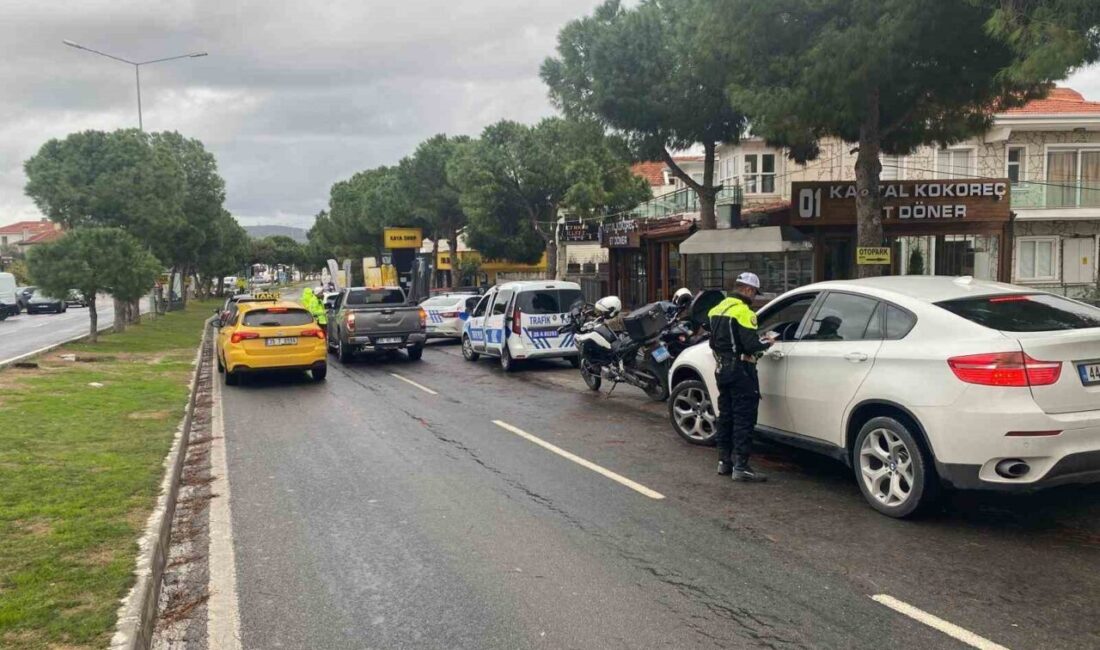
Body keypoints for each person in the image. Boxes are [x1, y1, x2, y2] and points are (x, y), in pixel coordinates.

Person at [708, 272, 776, 482]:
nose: (754, 297)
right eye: (754, 293)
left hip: (722, 369)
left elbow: (713, 342)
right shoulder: (744, 312)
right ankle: (741, 467)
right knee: (744, 417)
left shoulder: (716, 309)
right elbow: (751, 346)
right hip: (741, 370)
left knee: (725, 415)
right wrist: (768, 343)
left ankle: (723, 462)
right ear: (747, 290)